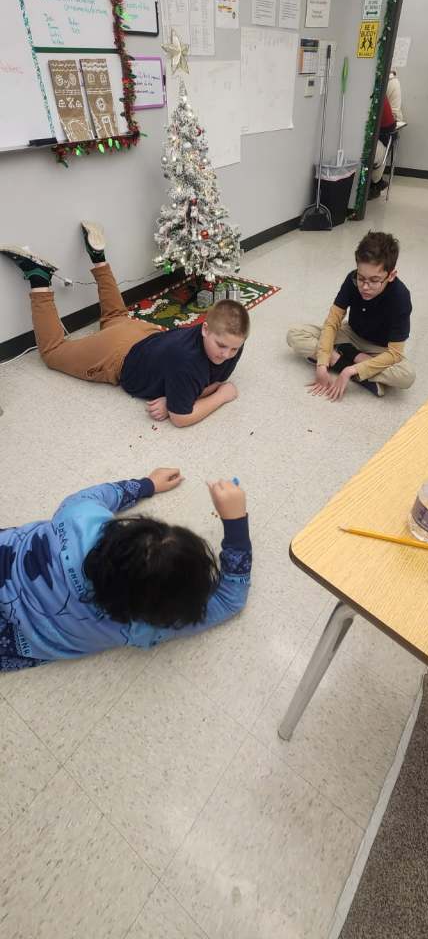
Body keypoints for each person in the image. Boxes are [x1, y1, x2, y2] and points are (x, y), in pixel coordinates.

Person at [0, 222, 249, 428]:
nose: (226, 355)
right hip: (117, 354)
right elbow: (182, 418)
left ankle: (98, 257)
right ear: (205, 329)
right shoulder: (187, 363)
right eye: (221, 346)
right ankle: (39, 278)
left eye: (234, 349)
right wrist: (222, 396)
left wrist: (173, 397)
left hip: (143, 332)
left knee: (115, 316)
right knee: (53, 352)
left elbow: (210, 380)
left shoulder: (229, 339)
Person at [0, 468, 252, 671]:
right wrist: (236, 525)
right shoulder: (139, 627)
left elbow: (98, 494)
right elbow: (230, 600)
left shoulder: (78, 516)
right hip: (16, 632)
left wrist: (147, 484)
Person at [286, 230, 415, 399]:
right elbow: (332, 323)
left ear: (391, 275)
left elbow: (395, 353)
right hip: (349, 334)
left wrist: (349, 370)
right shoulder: (351, 279)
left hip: (378, 349)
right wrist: (322, 364)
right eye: (361, 278)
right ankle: (353, 366)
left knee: (406, 376)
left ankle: (341, 358)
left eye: (374, 280)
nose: (365, 287)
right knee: (295, 334)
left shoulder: (401, 296)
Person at [370, 95, 397, 198]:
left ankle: (375, 184)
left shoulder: (375, 93)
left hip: (383, 134)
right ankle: (377, 183)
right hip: (384, 132)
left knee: (376, 154)